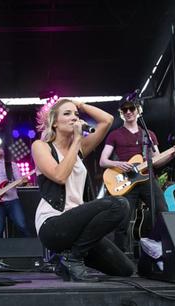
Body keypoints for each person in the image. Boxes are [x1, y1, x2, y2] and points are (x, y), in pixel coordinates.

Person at [32, 98, 134, 282]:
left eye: (76, 115)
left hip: (79, 227)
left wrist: (79, 105)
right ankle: (73, 258)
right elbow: (60, 175)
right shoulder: (41, 147)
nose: (74, 118)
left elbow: (107, 120)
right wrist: (78, 139)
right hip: (53, 225)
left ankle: (68, 258)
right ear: (54, 122)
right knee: (119, 204)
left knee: (125, 269)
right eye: (67, 114)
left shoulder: (78, 149)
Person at [99, 97, 175, 252]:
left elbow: (157, 160)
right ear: (121, 113)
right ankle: (121, 256)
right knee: (122, 220)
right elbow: (103, 161)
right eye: (125, 110)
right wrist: (118, 164)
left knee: (162, 211)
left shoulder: (149, 134)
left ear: (138, 110)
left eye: (132, 108)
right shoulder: (114, 134)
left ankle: (156, 246)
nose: (129, 112)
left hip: (146, 178)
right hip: (126, 180)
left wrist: (173, 154)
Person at [0, 144, 30, 238]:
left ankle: (32, 247)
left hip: (13, 200)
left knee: (22, 225)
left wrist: (23, 182)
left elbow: (19, 181)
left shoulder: (12, 165)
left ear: (3, 151)